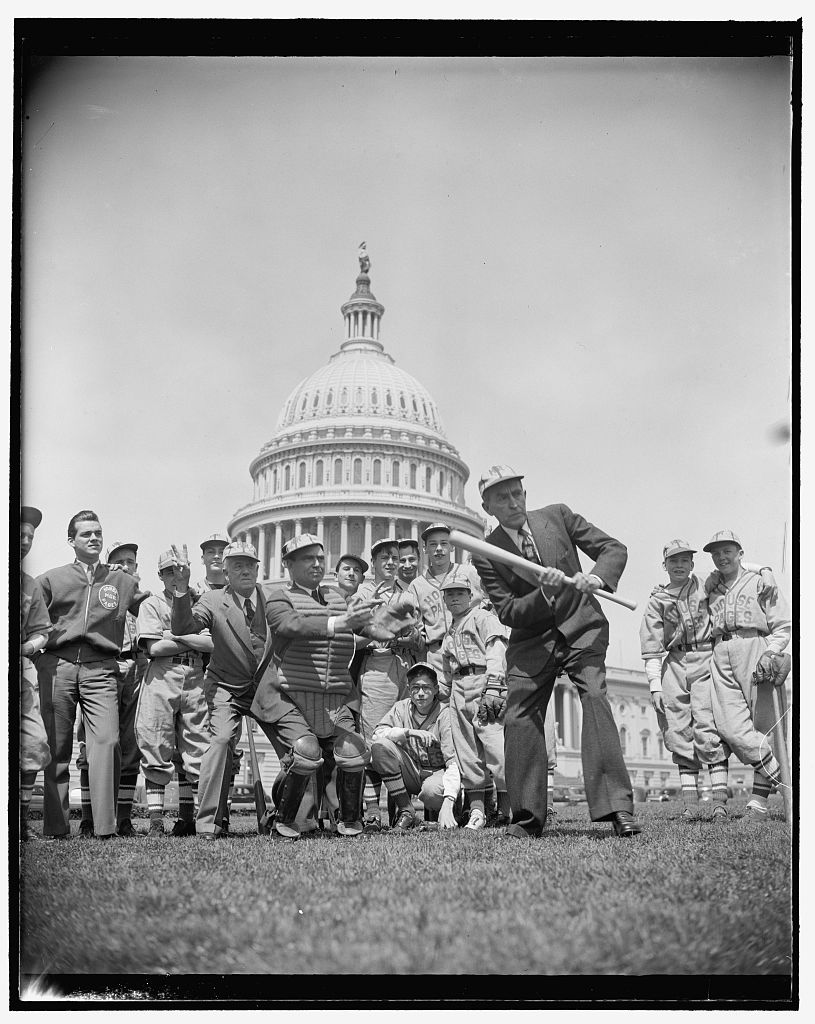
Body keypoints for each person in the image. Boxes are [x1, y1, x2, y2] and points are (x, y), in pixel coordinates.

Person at [471, 466, 640, 840]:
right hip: (533, 640)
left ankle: (617, 809)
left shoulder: (558, 516)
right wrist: (543, 593)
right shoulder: (486, 552)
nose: (514, 502)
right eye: (503, 498)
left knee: (595, 697)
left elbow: (613, 548)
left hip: (582, 625)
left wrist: (596, 577)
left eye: (518, 493)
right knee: (518, 716)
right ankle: (528, 818)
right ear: (487, 506)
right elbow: (509, 612)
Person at [250, 534, 378, 837]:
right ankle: (282, 818)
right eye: (308, 558)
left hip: (331, 694)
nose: (317, 563)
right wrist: (339, 623)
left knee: (354, 751)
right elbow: (292, 626)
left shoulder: (336, 596)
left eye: (320, 558)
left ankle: (349, 819)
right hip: (286, 694)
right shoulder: (278, 598)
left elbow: (362, 627)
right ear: (288, 564)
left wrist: (390, 625)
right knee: (305, 751)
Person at [640, 539, 776, 820]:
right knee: (678, 731)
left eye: (684, 560)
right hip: (675, 663)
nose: (679, 565)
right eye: (673, 561)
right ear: (664, 565)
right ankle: (690, 806)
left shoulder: (704, 583)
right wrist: (655, 685)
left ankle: (719, 804)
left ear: (692, 564)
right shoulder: (657, 600)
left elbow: (736, 568)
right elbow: (652, 647)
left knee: (709, 728)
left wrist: (765, 570)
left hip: (705, 659)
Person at [35, 511, 150, 840]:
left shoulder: (121, 580)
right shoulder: (51, 579)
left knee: (107, 741)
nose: (94, 538)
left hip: (102, 668)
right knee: (57, 748)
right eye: (86, 534)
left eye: (98, 533)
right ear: (72, 541)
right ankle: (56, 828)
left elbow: (155, 610)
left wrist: (182, 592)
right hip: (58, 665)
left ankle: (104, 828)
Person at [702, 530, 791, 822]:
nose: (721, 557)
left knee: (765, 725)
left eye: (728, 551)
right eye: (716, 553)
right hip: (721, 651)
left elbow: (783, 625)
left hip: (755, 646)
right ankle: (785, 778)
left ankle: (758, 806)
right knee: (730, 726)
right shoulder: (712, 586)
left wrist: (772, 651)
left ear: (741, 553)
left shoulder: (760, 581)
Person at [136, 550, 214, 836]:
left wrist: (171, 636)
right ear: (159, 575)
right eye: (168, 571)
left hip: (195, 673)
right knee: (156, 740)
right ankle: (156, 822)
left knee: (197, 745)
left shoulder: (199, 603)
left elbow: (211, 644)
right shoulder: (151, 604)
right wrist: (191, 639)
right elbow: (154, 648)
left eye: (179, 569)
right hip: (162, 672)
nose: (174, 575)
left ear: (188, 570)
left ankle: (192, 819)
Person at [76, 540, 150, 838]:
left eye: (130, 561)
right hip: (101, 665)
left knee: (130, 744)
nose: (124, 565)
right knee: (92, 742)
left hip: (135, 665)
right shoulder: (101, 591)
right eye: (118, 561)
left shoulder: (144, 597)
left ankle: (123, 819)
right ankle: (87, 817)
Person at [354, 538, 423, 831]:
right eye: (385, 557)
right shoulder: (363, 592)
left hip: (402, 666)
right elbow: (358, 630)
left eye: (395, 557)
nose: (392, 562)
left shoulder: (406, 593)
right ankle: (372, 810)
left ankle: (400, 812)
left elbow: (418, 634)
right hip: (376, 666)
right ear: (374, 562)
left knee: (399, 739)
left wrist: (408, 637)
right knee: (373, 737)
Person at [439, 573, 509, 829]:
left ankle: (509, 808)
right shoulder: (451, 629)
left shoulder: (483, 617)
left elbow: (496, 649)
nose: (455, 597)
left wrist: (494, 684)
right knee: (468, 752)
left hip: (482, 682)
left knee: (496, 749)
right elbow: (447, 670)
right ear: (444, 599)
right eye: (449, 593)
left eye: (460, 592)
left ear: (471, 595)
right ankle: (477, 811)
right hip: (459, 686)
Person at [370, 662, 461, 831]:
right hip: (410, 771)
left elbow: (453, 762)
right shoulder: (401, 707)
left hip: (436, 774)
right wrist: (408, 732)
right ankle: (406, 810)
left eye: (426, 688)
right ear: (408, 688)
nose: (420, 693)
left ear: (435, 689)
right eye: (415, 687)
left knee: (431, 792)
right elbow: (377, 734)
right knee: (380, 746)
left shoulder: (444, 713)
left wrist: (449, 801)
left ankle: (444, 815)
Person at [408, 522, 487, 697]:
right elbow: (418, 632)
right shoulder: (416, 586)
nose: (439, 549)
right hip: (436, 655)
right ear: (424, 549)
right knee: (441, 709)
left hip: (470, 649)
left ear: (451, 547)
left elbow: (489, 605)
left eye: (444, 543)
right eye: (433, 544)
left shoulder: (469, 573)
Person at [19, 506, 52, 842]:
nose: (26, 541)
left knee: (32, 743)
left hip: (21, 671)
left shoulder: (30, 584)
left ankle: (21, 824)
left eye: (30, 536)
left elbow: (42, 631)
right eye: (20, 534)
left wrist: (30, 646)